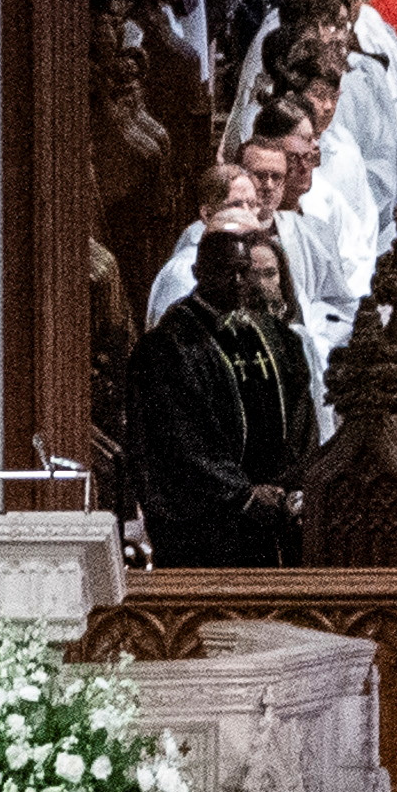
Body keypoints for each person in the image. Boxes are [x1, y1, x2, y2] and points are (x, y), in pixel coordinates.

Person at [127, 229, 310, 566]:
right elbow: (178, 441)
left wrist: (289, 484)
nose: (240, 281)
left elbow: (301, 415)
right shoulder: (167, 347)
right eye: (228, 271)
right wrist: (244, 494)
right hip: (208, 525)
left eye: (246, 271)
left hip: (274, 517)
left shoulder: (274, 337)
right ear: (199, 273)